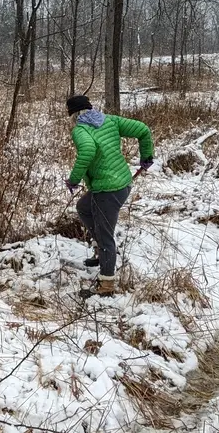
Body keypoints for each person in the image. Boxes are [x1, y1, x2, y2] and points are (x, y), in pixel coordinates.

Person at [64, 95, 154, 297]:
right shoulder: (109, 120)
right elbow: (143, 130)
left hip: (107, 190)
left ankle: (106, 285)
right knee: (84, 208)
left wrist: (74, 179)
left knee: (106, 237)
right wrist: (146, 156)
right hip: (122, 184)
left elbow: (87, 150)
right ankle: (101, 252)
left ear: (73, 115)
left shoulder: (80, 130)